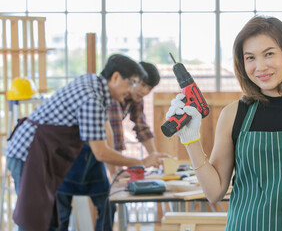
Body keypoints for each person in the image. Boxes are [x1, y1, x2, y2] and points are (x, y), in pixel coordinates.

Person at [166, 16, 282, 230]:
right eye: (250, 58)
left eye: (269, 54)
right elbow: (214, 192)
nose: (260, 66)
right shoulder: (233, 114)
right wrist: (191, 140)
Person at [5, 54, 167, 231]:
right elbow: (101, 152)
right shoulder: (92, 98)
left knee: (43, 219)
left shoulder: (95, 86)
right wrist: (141, 162)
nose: (133, 89)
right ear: (115, 77)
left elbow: (116, 133)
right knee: (34, 219)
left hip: (42, 153)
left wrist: (147, 158)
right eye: (132, 83)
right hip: (29, 153)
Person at [53, 61, 162, 231]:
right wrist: (117, 171)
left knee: (107, 204)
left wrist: (155, 157)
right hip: (74, 154)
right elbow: (112, 139)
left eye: (150, 89)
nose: (145, 91)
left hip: (95, 156)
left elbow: (142, 128)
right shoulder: (108, 96)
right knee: (61, 213)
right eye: (141, 85)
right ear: (124, 80)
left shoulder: (133, 98)